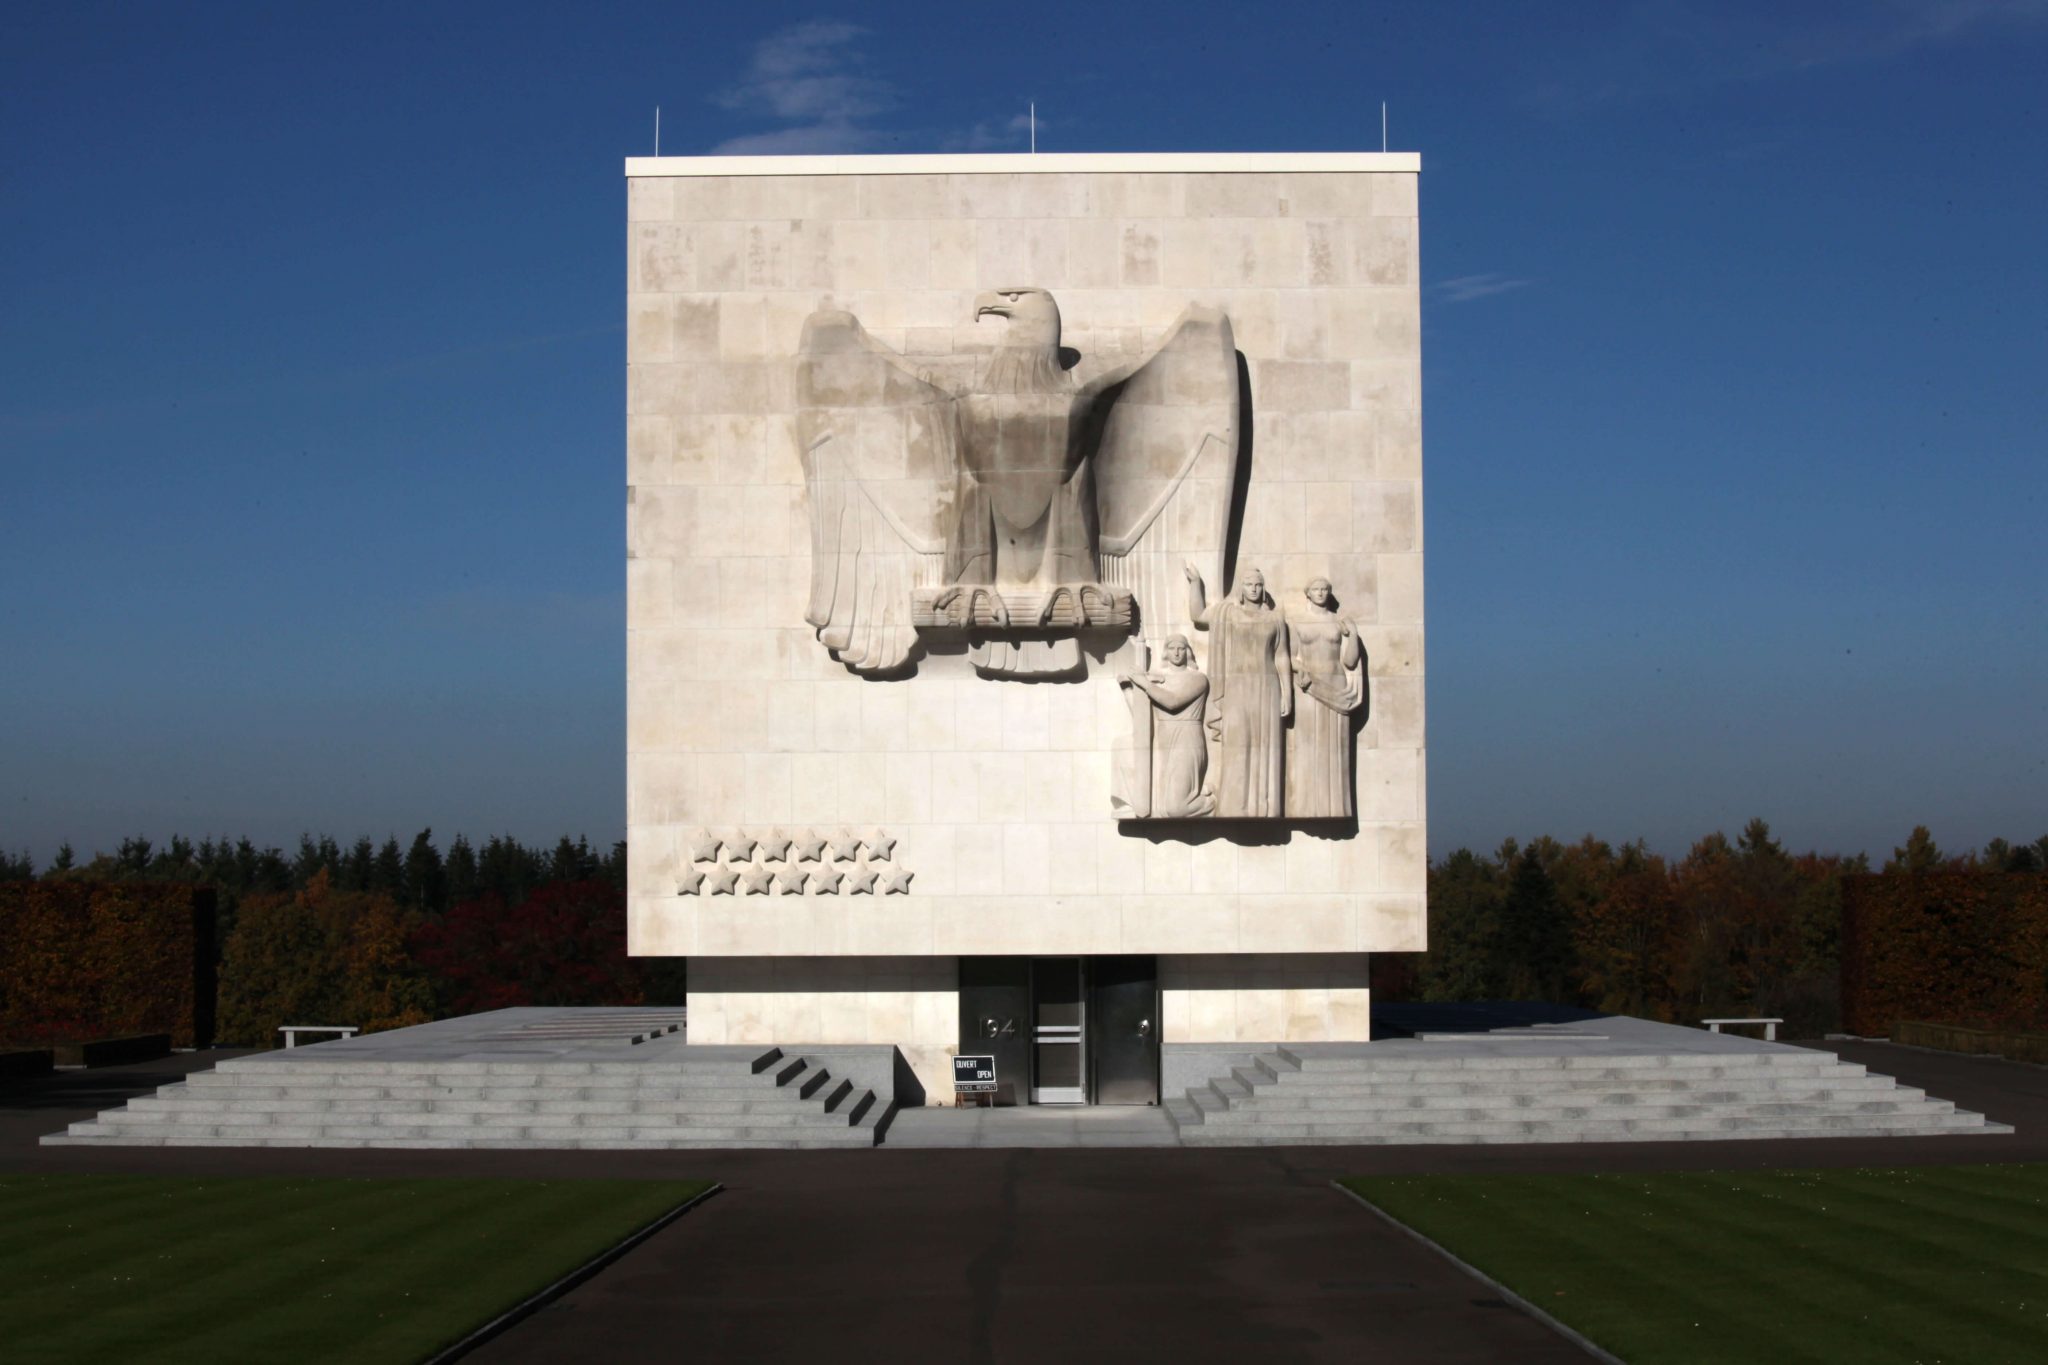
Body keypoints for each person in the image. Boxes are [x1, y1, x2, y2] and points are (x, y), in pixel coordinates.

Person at [1185, 563, 1291, 818]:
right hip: (1236, 687)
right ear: (1241, 588)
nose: (1254, 589)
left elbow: (1282, 656)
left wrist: (1287, 693)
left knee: (1266, 746)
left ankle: (1265, 808)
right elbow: (1198, 616)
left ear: (1263, 589)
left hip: (1268, 687)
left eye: (1258, 585)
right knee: (1238, 744)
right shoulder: (1228, 613)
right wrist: (1195, 584)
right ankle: (1234, 806)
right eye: (1249, 584)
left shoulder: (1275, 618)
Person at [1285, 578, 1366, 818]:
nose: (1320, 593)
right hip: (1309, 688)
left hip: (1337, 687)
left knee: (1335, 749)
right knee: (1307, 746)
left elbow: (1350, 661)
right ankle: (1306, 807)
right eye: (1316, 589)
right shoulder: (1297, 622)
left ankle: (1336, 807)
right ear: (1308, 593)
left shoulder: (1337, 622)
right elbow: (1288, 657)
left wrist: (1354, 635)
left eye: (1324, 589)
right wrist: (1300, 669)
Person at [1114, 634, 1215, 818]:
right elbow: (1142, 719)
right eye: (1172, 648)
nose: (1176, 653)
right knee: (1163, 808)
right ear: (1166, 652)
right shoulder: (1158, 680)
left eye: (1181, 648)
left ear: (1187, 652)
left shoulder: (1198, 679)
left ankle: (1211, 801)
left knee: (1176, 809)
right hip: (1163, 742)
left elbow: (1172, 702)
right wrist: (1127, 688)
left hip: (1187, 739)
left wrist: (1144, 683)